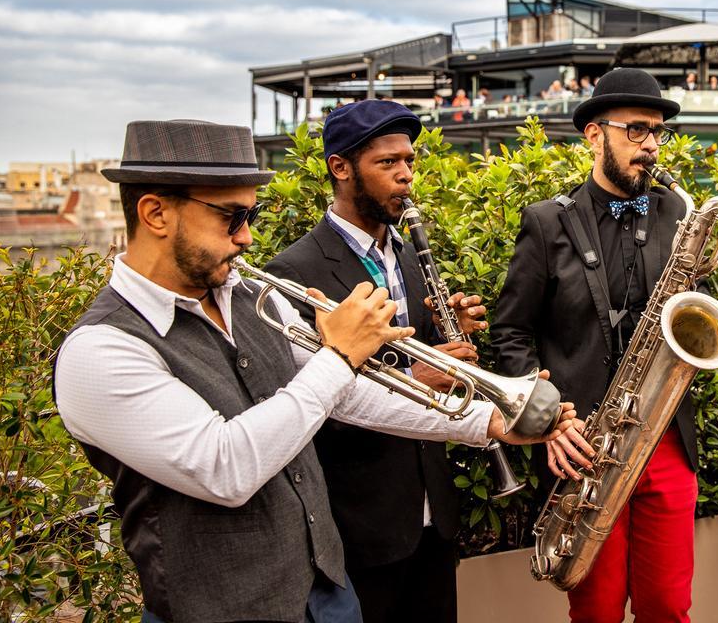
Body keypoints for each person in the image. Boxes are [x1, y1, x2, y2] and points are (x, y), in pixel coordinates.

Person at [54, 119, 575, 623]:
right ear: (155, 214)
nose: (247, 240)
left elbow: (348, 398)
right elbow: (224, 467)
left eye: (251, 220)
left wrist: (486, 421)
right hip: (222, 608)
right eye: (231, 219)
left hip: (326, 591)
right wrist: (340, 356)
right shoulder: (100, 350)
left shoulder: (252, 297)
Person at [264, 101, 511, 622]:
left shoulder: (407, 254)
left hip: (432, 516)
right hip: (360, 522)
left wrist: (450, 335)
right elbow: (305, 406)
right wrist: (415, 377)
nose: (405, 176)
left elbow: (422, 358)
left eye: (410, 162)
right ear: (340, 167)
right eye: (387, 163)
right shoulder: (293, 271)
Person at [492, 68, 698, 623]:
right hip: (585, 445)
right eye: (636, 130)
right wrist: (549, 422)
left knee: (668, 606)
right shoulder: (546, 223)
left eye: (657, 132)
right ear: (593, 135)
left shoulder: (678, 215)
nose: (651, 146)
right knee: (598, 610)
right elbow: (510, 333)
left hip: (665, 438)